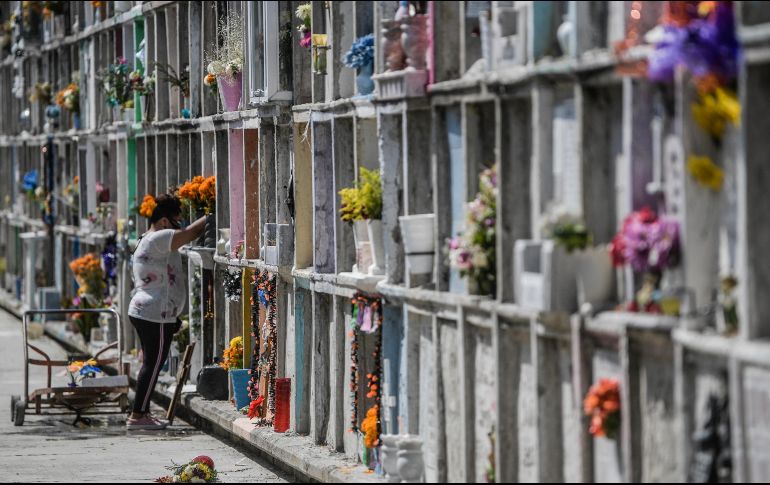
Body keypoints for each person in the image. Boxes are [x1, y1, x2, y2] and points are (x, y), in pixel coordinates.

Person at [126, 194, 207, 430]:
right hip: (155, 312)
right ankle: (138, 415)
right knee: (153, 362)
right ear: (164, 222)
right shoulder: (159, 237)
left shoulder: (146, 238)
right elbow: (191, 233)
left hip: (148, 310)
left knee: (151, 362)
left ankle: (141, 412)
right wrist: (213, 212)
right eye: (176, 222)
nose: (179, 227)